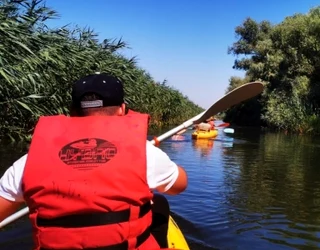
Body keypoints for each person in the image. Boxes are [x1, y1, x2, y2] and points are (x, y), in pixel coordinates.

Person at [0, 73, 188, 250]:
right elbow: (179, 185)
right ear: (122, 110)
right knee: (159, 202)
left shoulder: (29, 160)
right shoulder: (146, 153)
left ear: (72, 112)